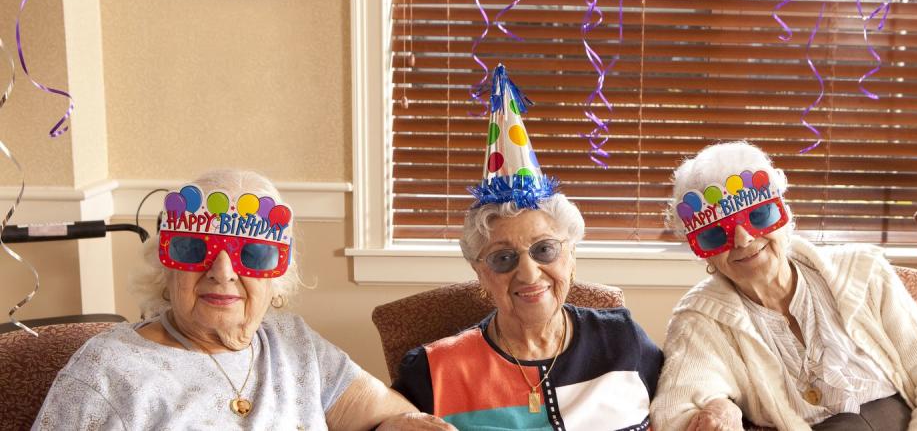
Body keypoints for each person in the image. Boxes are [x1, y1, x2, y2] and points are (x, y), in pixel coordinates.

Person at [34, 169, 452, 431]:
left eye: (251, 254)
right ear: (166, 267)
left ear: (276, 279)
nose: (223, 271)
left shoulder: (293, 344)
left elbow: (386, 416)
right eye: (194, 250)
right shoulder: (106, 373)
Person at [392, 64, 663, 429]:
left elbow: (680, 403)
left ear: (571, 256)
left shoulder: (622, 339)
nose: (528, 272)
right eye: (503, 258)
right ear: (481, 273)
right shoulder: (431, 371)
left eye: (545, 250)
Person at [650, 142, 917, 431]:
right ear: (702, 252)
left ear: (784, 215)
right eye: (716, 234)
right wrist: (717, 405)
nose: (743, 239)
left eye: (758, 216)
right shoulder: (700, 318)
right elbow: (674, 413)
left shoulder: (863, 273)